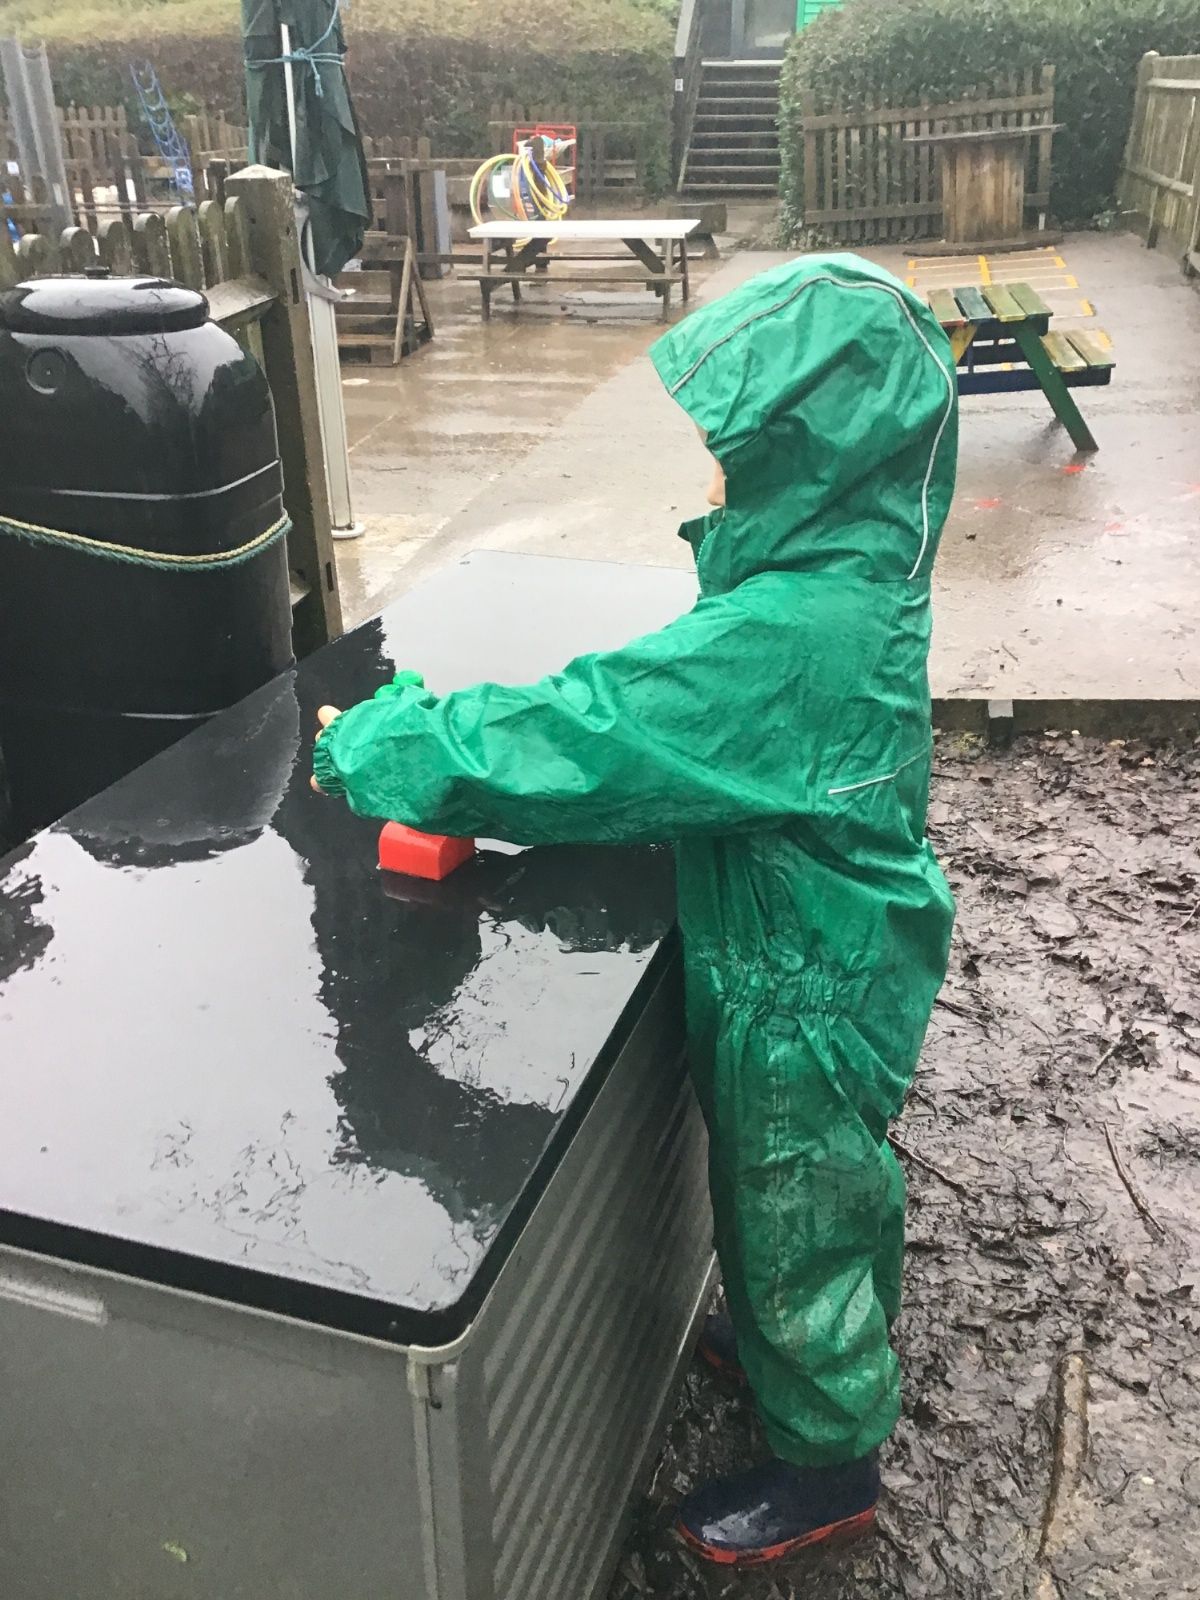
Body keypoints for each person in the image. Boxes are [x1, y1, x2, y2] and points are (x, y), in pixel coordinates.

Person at [312, 253, 958, 1567]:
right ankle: (792, 1337)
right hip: (821, 943)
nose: (714, 472)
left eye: (741, 447)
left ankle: (827, 1460)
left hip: (804, 984)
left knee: (797, 1197)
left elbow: (596, 734)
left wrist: (393, 744)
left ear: (810, 455)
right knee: (814, 1187)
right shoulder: (848, 569)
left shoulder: (795, 632)